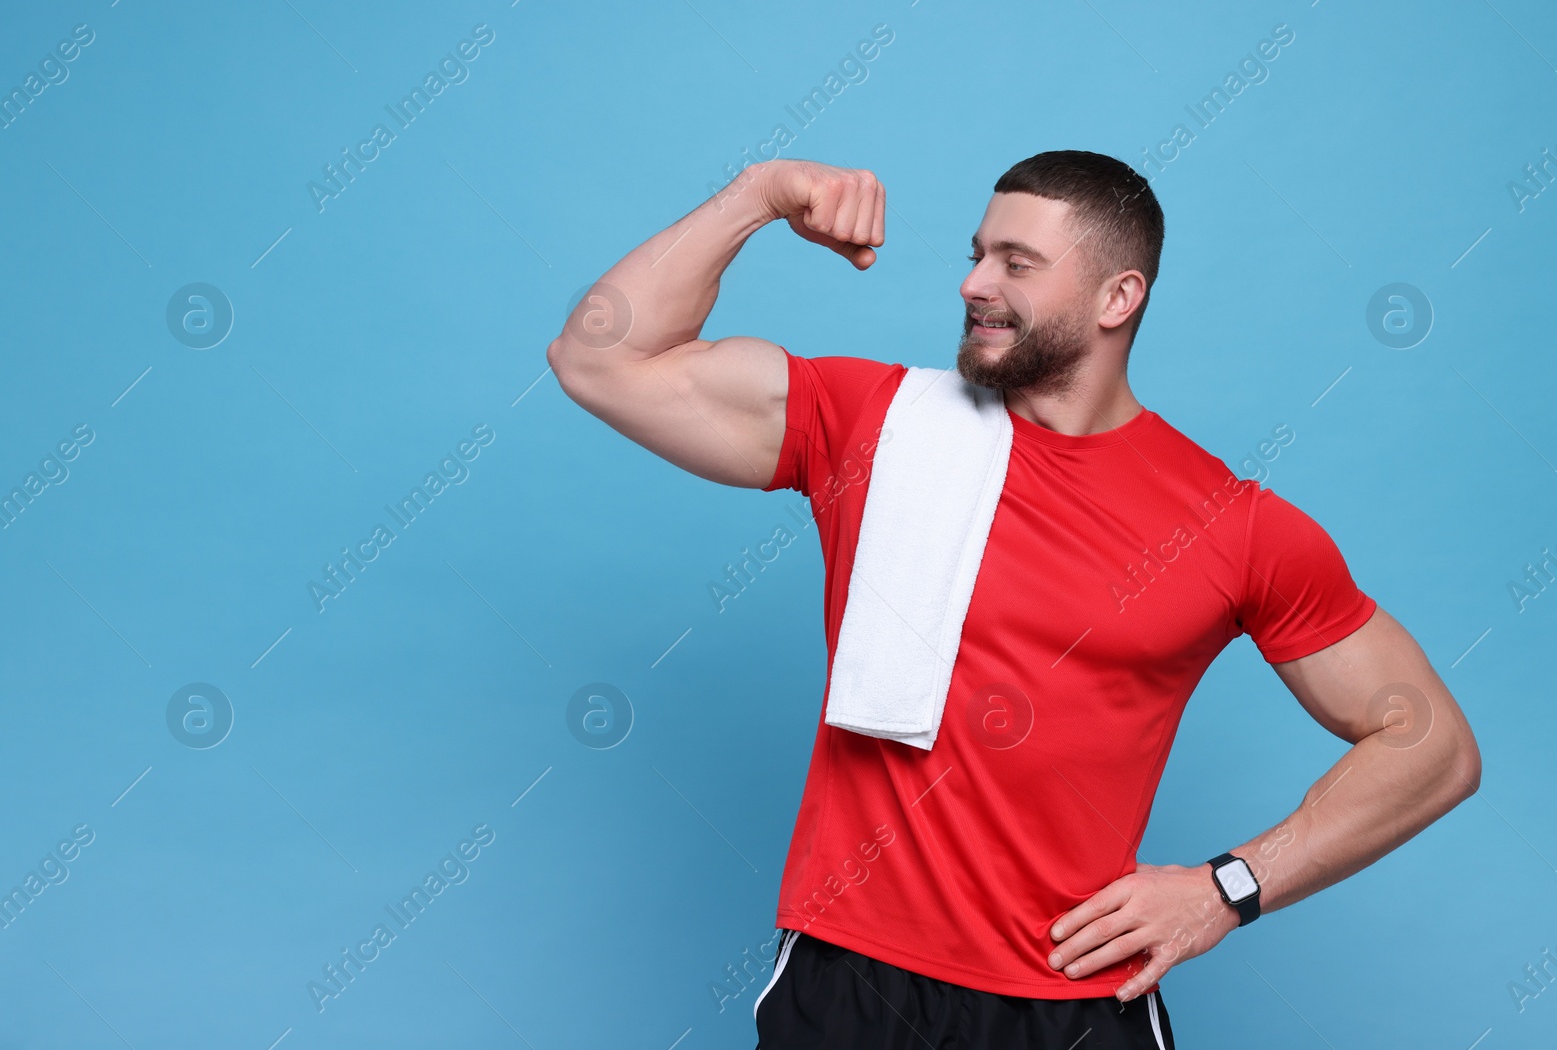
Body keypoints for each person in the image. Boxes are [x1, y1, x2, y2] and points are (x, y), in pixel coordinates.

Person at [545, 152, 1482, 1049]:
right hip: (853, 982)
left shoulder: (1234, 525)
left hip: (1073, 1002)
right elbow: (601, 359)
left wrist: (1225, 888)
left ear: (1121, 297)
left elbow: (1431, 745)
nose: (973, 283)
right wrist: (756, 193)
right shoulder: (868, 424)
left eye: (1016, 263)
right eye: (976, 255)